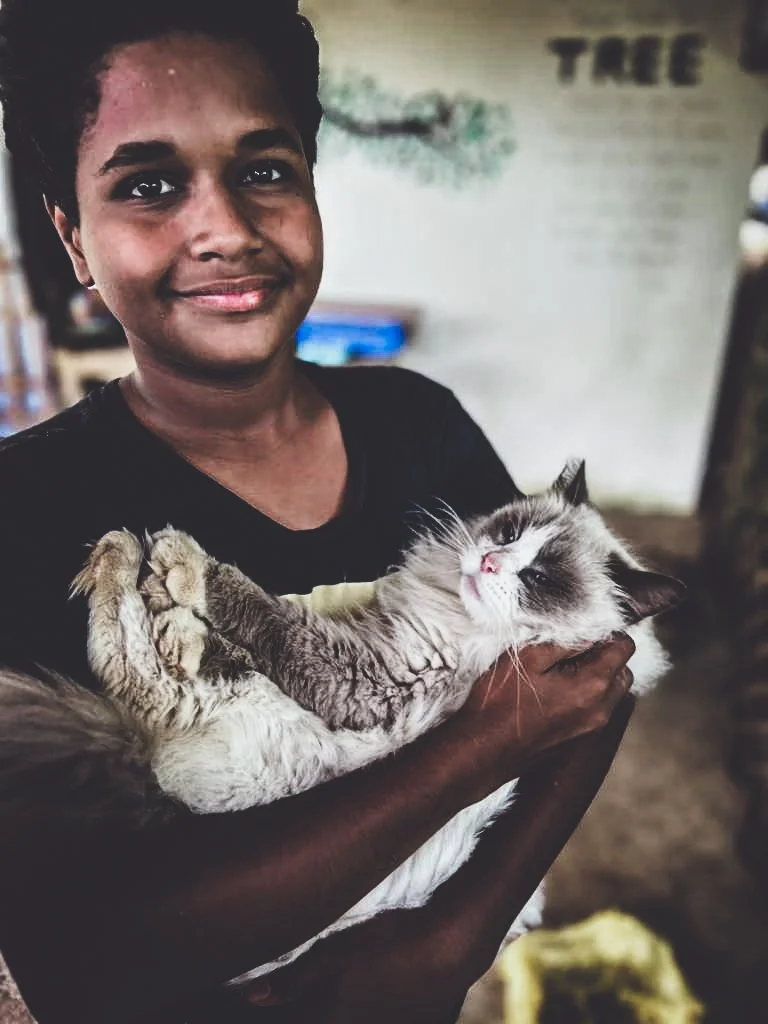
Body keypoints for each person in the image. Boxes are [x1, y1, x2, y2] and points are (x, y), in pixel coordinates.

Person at [0, 1, 636, 1022]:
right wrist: (476, 745)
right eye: (150, 185)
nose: (226, 228)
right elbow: (82, 960)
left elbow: (600, 675)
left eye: (264, 170)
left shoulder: (419, 423)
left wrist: (458, 933)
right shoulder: (27, 509)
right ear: (73, 240)